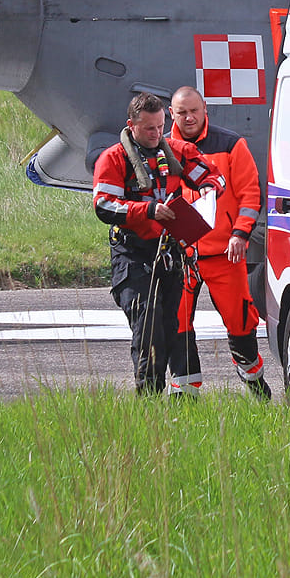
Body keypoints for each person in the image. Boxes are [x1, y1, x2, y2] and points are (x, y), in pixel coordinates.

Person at [94, 92, 225, 394]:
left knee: (171, 329)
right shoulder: (114, 158)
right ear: (132, 125)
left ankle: (176, 400)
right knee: (148, 328)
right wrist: (148, 210)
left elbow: (214, 177)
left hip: (169, 253)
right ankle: (148, 400)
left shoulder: (176, 151)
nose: (156, 135)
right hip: (132, 253)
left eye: (160, 127)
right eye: (149, 129)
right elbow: (104, 206)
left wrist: (208, 192)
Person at [166, 86, 271, 400]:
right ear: (172, 114)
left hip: (225, 254)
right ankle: (185, 394)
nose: (188, 118)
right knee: (176, 323)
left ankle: (253, 379)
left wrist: (240, 234)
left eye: (193, 111)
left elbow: (251, 195)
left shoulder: (230, 144)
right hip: (179, 256)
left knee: (241, 323)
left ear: (204, 109)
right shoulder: (160, 149)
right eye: (182, 112)